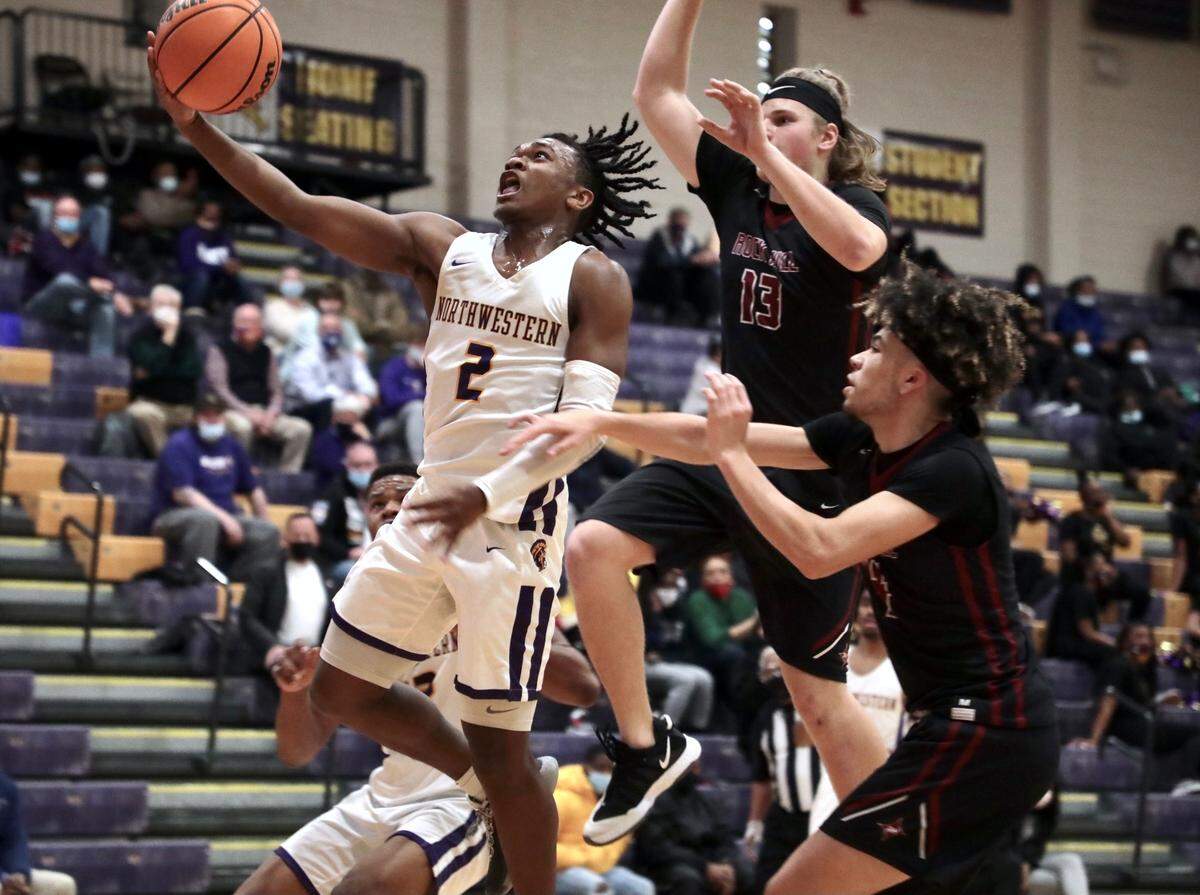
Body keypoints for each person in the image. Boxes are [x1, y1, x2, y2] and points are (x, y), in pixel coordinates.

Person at [149, 29, 656, 895]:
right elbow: (301, 207)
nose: (514, 159)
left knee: (504, 744)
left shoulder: (592, 275)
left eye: (536, 156)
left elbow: (587, 424)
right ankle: (489, 786)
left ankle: (510, 830)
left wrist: (488, 491)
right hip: (432, 500)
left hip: (513, 522)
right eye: (512, 151)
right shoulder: (440, 246)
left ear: (576, 192)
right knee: (343, 690)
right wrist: (196, 126)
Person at [507, 265, 1059, 893]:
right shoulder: (864, 439)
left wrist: (732, 453)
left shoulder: (953, 470)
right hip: (955, 727)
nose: (857, 356)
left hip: (989, 731)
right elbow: (707, 438)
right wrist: (600, 425)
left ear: (912, 378)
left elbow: (819, 548)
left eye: (877, 347)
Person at [562, 0, 892, 846]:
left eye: (782, 118)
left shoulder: (852, 201)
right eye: (760, 112)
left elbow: (858, 251)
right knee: (593, 547)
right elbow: (656, 90)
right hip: (729, 445)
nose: (761, 123)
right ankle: (644, 744)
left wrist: (764, 158)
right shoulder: (739, 186)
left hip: (814, 469)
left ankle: (904, 845)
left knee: (815, 695)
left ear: (825, 138)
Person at [234, 462, 601, 895]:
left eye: (403, 498)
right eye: (377, 503)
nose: (389, 508)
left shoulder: (489, 574)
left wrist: (480, 627)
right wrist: (294, 693)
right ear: (364, 517)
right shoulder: (353, 604)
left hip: (466, 797)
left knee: (368, 888)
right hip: (384, 794)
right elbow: (297, 751)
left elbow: (583, 688)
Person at [149, 392, 279, 582]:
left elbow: (254, 489)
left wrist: (264, 520)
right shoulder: (179, 445)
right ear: (195, 417)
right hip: (173, 515)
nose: (212, 420)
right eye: (206, 415)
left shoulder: (231, 446)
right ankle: (200, 585)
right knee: (205, 520)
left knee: (267, 532)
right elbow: (184, 494)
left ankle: (239, 586)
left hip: (225, 515)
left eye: (217, 415)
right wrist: (225, 519)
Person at [807, 591, 905, 833]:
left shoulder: (904, 668)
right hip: (833, 774)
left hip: (884, 779)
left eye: (876, 605)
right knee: (821, 860)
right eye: (864, 604)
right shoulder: (834, 662)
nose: (870, 611)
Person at [1072, 623, 1200, 795]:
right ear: (1125, 641)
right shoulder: (1118, 664)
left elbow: (1140, 701)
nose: (1144, 641)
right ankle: (1188, 780)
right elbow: (1109, 701)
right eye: (1138, 636)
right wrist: (1094, 739)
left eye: (1148, 637)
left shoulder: (1144, 669)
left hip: (1141, 723)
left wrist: (1162, 701)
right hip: (1124, 727)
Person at [744, 647, 821, 894]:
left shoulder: (819, 705)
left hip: (823, 818)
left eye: (777, 666)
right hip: (784, 817)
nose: (773, 673)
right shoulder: (765, 717)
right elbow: (762, 776)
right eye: (767, 668)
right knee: (766, 886)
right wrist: (755, 822)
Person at [21, 195, 132, 357]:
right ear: (55, 216)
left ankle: (100, 366)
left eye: (73, 214)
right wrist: (92, 284)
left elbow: (104, 272)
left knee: (106, 308)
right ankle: (107, 297)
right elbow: (58, 268)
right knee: (64, 281)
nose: (69, 218)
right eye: (64, 213)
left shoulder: (85, 245)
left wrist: (115, 292)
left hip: (74, 307)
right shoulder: (43, 239)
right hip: (42, 303)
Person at [207, 303, 312, 472]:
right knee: (243, 427)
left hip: (264, 411)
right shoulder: (219, 350)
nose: (247, 326)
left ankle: (287, 477)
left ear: (261, 326)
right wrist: (247, 412)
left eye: (252, 321)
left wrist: (270, 415)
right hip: (231, 410)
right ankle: (241, 473)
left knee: (301, 429)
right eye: (243, 321)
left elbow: (276, 391)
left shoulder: (267, 352)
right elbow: (220, 390)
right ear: (234, 324)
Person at [632, 763, 753, 895]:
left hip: (708, 860)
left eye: (697, 766)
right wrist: (704, 867)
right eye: (691, 766)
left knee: (745, 871)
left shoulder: (703, 800)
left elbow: (723, 837)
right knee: (688, 879)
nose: (696, 770)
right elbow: (658, 849)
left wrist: (726, 864)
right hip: (669, 865)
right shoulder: (652, 802)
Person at [554, 746, 656, 895]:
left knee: (642, 888)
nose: (606, 774)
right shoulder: (560, 797)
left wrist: (598, 861)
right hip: (559, 870)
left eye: (612, 769)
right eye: (601, 768)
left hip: (600, 867)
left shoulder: (620, 802)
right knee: (599, 888)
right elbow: (541, 849)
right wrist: (585, 858)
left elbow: (618, 842)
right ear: (586, 767)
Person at [127, 285, 204, 455]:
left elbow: (194, 371)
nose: (166, 310)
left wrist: (156, 371)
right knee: (142, 413)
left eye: (171, 306)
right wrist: (168, 337)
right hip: (150, 403)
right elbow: (147, 366)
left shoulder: (187, 336)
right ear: (151, 307)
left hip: (183, 407)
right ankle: (169, 461)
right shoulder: (140, 335)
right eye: (160, 304)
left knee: (220, 419)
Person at [1059, 477, 1150, 621]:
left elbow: (1125, 542)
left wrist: (1107, 516)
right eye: (1093, 491)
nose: (1098, 495)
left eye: (1100, 491)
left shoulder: (1106, 519)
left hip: (1106, 574)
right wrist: (1090, 566)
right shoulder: (1072, 521)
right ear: (1083, 495)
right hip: (1080, 576)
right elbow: (1069, 556)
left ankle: (1131, 629)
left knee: (1141, 592)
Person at [284, 312, 378, 433]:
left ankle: (360, 443)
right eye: (326, 328)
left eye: (335, 328)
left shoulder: (349, 357)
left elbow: (367, 385)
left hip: (347, 405)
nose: (331, 332)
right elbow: (311, 395)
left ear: (342, 332)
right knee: (329, 407)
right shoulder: (304, 358)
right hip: (309, 409)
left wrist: (364, 396)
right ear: (318, 331)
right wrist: (345, 396)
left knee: (367, 405)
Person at [685, 554, 758, 703]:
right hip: (710, 655)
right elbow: (713, 638)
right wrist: (753, 622)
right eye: (711, 573)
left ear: (731, 576)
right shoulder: (698, 600)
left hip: (745, 650)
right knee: (733, 654)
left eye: (722, 572)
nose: (717, 577)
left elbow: (758, 631)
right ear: (703, 579)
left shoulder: (741, 597)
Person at [313, 442, 382, 588]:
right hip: (343, 561)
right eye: (357, 465)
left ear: (377, 465)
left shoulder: (384, 494)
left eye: (368, 464)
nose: (363, 470)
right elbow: (321, 536)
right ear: (347, 466)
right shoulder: (333, 494)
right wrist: (348, 553)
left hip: (379, 557)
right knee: (358, 572)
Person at [635, 207, 719, 325]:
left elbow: (695, 259)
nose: (680, 228)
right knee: (674, 275)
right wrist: (689, 260)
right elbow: (661, 261)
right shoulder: (659, 237)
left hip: (684, 284)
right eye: (678, 223)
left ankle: (706, 315)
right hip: (658, 282)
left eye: (683, 224)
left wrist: (703, 259)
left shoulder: (690, 240)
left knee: (707, 275)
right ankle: (673, 315)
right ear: (670, 221)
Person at [0, 772, 77, 895]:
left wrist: (19, 873)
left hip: (7, 874)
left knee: (63, 884)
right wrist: (3, 878)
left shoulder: (5, 787)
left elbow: (14, 840)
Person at [1046, 549, 1119, 671]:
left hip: (1070, 644)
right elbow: (1087, 632)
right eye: (1101, 565)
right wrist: (1115, 643)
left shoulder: (1084, 591)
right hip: (1067, 645)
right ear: (1089, 570)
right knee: (1111, 653)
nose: (1106, 569)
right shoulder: (1081, 592)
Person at [177, 199, 248, 313]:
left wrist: (234, 265)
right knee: (201, 278)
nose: (213, 214)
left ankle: (247, 312)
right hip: (193, 278)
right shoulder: (189, 234)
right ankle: (192, 312)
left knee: (240, 279)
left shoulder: (223, 237)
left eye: (216, 212)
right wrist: (220, 268)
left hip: (219, 279)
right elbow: (188, 264)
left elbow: (233, 258)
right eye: (209, 211)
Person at [376, 334, 428, 463]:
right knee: (416, 407)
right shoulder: (393, 367)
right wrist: (422, 395)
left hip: (426, 421)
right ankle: (419, 464)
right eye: (420, 346)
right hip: (392, 422)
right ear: (411, 346)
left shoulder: (429, 372)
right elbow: (391, 400)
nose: (423, 350)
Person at [1052, 276, 1106, 347]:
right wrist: (1076, 334)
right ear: (1077, 291)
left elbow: (1099, 332)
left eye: (1092, 290)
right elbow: (1063, 328)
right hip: (1070, 342)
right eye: (1086, 289)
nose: (1089, 292)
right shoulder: (1066, 307)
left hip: (1092, 345)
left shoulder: (1096, 311)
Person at [76, 156, 114, 257]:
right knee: (100, 212)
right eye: (92, 170)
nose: (97, 173)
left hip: (106, 232)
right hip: (73, 224)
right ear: (84, 172)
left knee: (102, 213)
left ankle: (98, 260)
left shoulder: (111, 189)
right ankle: (98, 260)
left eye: (99, 170)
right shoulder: (76, 187)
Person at [680, 336, 722, 415]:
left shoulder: (702, 362)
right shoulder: (712, 371)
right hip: (698, 411)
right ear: (717, 354)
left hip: (697, 409)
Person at [1162, 224, 1200, 310]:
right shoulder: (1173, 256)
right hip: (1179, 292)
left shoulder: (1196, 258)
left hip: (1194, 291)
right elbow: (1180, 280)